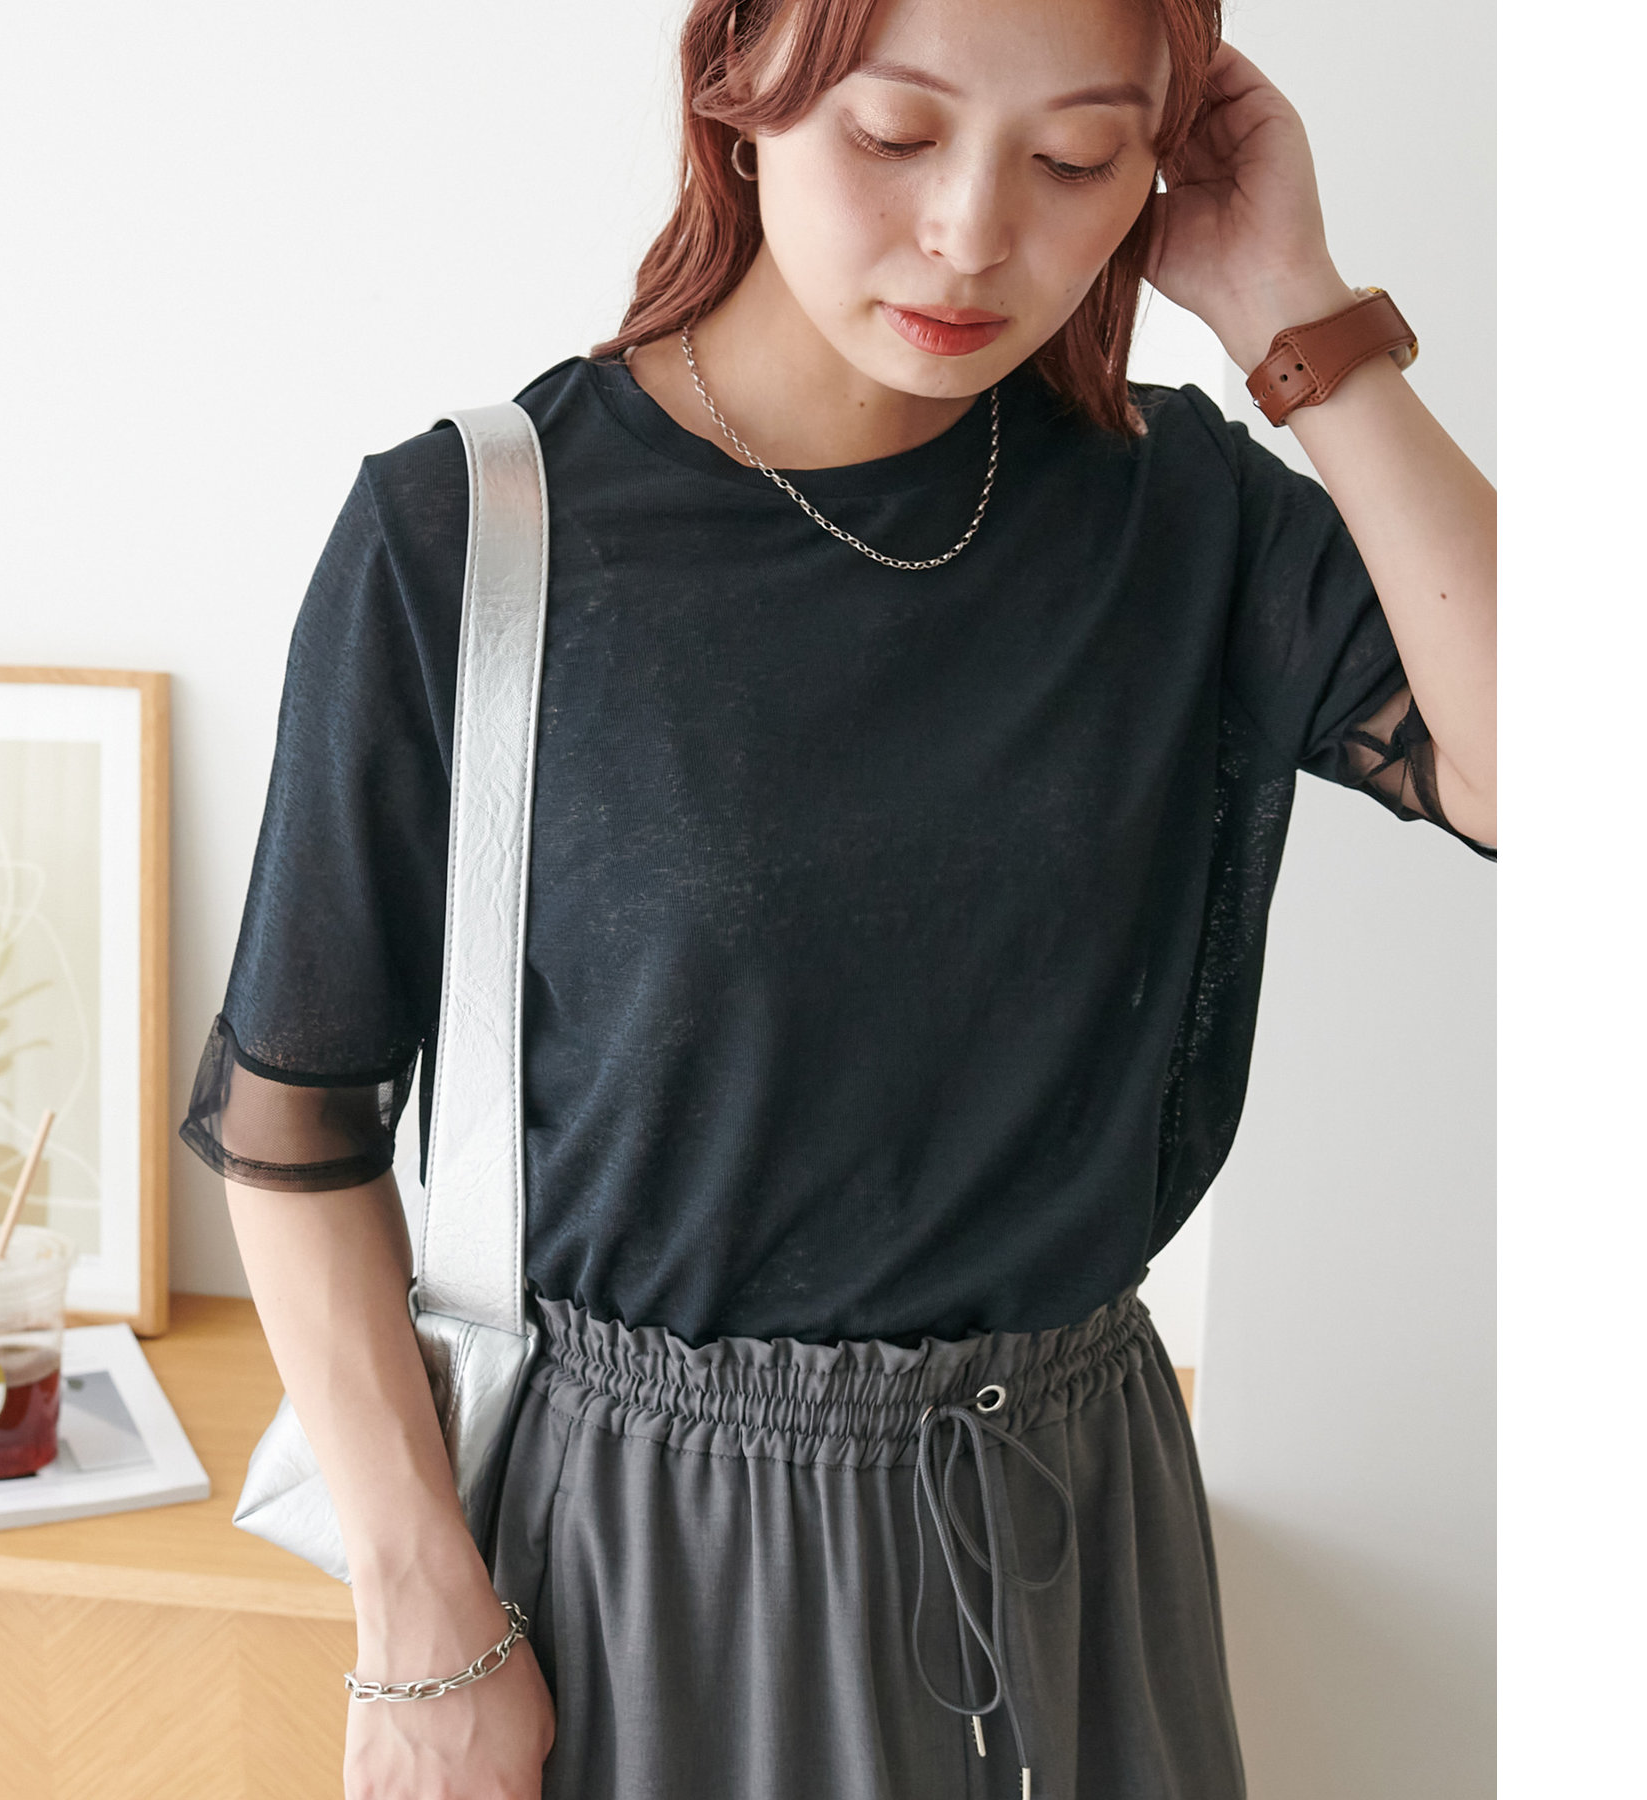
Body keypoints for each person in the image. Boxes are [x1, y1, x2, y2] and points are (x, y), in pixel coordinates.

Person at [179, 0, 1495, 1794]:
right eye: (895, 136)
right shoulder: (471, 535)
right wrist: (421, 1616)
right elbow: (297, 1117)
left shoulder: (1180, 514)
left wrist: (1296, 311)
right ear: (743, 89)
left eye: (1076, 160)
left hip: (1077, 1534)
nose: (973, 232)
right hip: (648, 1572)